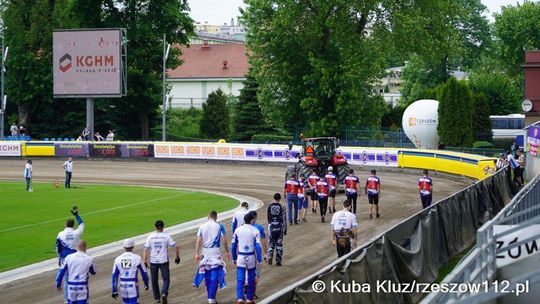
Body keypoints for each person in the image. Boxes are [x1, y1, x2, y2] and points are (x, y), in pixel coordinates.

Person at [194, 211, 229, 304]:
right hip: (215, 253)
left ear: (208, 217)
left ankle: (210, 297)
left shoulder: (202, 226)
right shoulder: (219, 226)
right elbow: (224, 241)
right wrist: (227, 251)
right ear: (216, 217)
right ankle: (211, 298)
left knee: (207, 276)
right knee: (215, 276)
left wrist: (197, 253)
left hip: (205, 253)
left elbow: (198, 241)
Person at [143, 220, 180, 304]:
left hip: (153, 261)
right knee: (166, 279)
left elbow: (145, 248)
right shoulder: (166, 236)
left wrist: (145, 260)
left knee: (154, 280)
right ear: (163, 227)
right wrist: (177, 257)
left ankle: (157, 298)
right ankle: (164, 293)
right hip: (164, 260)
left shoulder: (150, 236)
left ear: (155, 227)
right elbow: (175, 246)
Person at [231, 212, 263, 304]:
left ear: (244, 220)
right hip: (251, 256)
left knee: (240, 278)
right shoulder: (255, 230)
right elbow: (258, 246)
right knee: (251, 278)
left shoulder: (237, 230)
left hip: (241, 256)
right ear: (251, 220)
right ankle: (249, 299)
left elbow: (233, 245)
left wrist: (234, 258)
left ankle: (240, 298)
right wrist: (260, 260)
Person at [56, 207, 85, 304]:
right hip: (75, 259)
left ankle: (67, 300)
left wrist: (59, 258)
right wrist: (76, 214)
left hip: (64, 259)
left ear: (65, 225)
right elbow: (82, 224)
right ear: (73, 226)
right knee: (78, 278)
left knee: (66, 280)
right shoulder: (76, 233)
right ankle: (79, 298)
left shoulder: (60, 234)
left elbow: (57, 248)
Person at [112, 238, 149, 304]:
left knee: (125, 302)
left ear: (123, 247)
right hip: (133, 284)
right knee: (134, 302)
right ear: (133, 247)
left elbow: (114, 276)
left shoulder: (118, 259)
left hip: (123, 285)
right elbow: (144, 273)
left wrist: (114, 290)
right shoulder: (137, 258)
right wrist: (146, 283)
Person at [247, 210, 267, 299]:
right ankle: (252, 292)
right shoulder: (259, 228)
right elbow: (263, 242)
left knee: (246, 272)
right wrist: (266, 253)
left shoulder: (242, 227)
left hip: (244, 254)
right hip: (255, 254)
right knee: (256, 274)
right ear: (255, 217)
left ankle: (246, 286)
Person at [267, 193, 287, 266]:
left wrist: (269, 225)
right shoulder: (282, 206)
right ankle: (278, 260)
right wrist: (285, 229)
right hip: (279, 226)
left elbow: (268, 217)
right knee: (279, 243)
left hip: (271, 225)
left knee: (271, 241)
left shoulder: (270, 206)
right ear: (279, 199)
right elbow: (284, 218)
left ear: (274, 198)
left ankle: (270, 254)